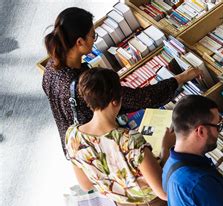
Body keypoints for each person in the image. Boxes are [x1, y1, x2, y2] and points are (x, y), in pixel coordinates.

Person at [65, 67, 178, 206]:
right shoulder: (128, 140)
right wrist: (166, 149)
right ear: (116, 101)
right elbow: (163, 192)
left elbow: (86, 185)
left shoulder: (73, 136)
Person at [42, 7, 201, 157]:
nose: (94, 39)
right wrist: (181, 78)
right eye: (92, 35)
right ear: (79, 42)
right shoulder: (85, 83)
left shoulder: (51, 67)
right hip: (99, 147)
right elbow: (140, 98)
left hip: (74, 146)